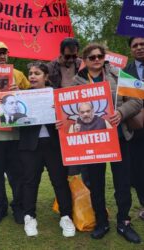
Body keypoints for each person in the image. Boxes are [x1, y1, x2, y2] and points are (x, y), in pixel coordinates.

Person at [73, 43, 142, 243]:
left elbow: (137, 100)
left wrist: (121, 112)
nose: (96, 60)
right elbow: (67, 111)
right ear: (84, 60)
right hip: (92, 142)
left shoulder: (118, 75)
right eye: (92, 57)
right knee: (95, 184)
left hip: (119, 138)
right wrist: (63, 120)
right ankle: (102, 221)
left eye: (99, 56)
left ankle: (123, 221)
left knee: (122, 183)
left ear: (104, 57)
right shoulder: (76, 83)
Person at [19, 61, 75, 237]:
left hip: (54, 145)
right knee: (29, 182)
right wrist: (3, 101)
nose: (33, 76)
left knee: (59, 181)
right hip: (30, 146)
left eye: (37, 73)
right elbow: (11, 118)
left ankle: (66, 216)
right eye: (31, 73)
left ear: (46, 77)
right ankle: (29, 216)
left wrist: (61, 115)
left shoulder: (57, 94)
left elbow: (72, 116)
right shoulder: (20, 96)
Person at [0, 41, 30, 225]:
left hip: (15, 134)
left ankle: (17, 207)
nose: (2, 56)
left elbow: (32, 97)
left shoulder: (18, 74)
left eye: (4, 53)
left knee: (16, 174)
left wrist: (19, 93)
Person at [124, 36, 144, 219]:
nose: (139, 48)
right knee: (138, 170)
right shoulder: (125, 72)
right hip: (137, 130)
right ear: (131, 50)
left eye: (142, 44)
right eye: (135, 45)